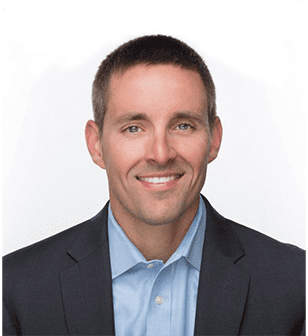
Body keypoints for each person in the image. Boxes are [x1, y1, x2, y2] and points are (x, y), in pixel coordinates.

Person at [3, 35, 305, 336]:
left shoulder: (296, 285)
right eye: (134, 128)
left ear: (214, 139)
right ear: (96, 145)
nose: (160, 154)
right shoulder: (14, 289)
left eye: (182, 125)